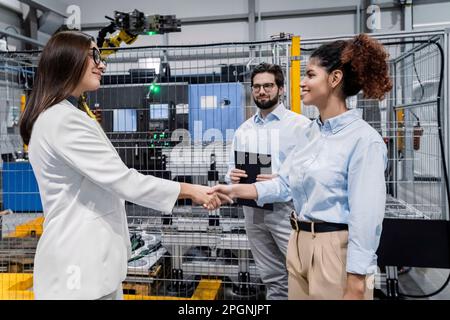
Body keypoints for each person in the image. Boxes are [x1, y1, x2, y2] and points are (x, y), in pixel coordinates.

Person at [19, 31, 229, 300]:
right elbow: (123, 180)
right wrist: (190, 190)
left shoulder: (65, 116)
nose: (102, 63)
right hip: (78, 263)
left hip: (88, 261)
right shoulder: (63, 120)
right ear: (67, 60)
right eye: (94, 55)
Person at [211, 33, 392, 300]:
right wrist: (233, 191)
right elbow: (285, 183)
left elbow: (366, 218)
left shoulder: (364, 140)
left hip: (333, 247)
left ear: (334, 79)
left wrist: (356, 279)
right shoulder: (312, 134)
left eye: (309, 74)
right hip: (300, 240)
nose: (302, 82)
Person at [226, 63, 310, 299]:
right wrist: (231, 176)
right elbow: (229, 170)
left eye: (268, 86)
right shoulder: (243, 130)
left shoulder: (300, 126)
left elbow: (309, 173)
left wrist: (281, 179)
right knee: (272, 277)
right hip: (253, 213)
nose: (262, 91)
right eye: (257, 87)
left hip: (287, 212)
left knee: (302, 275)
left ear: (281, 89)